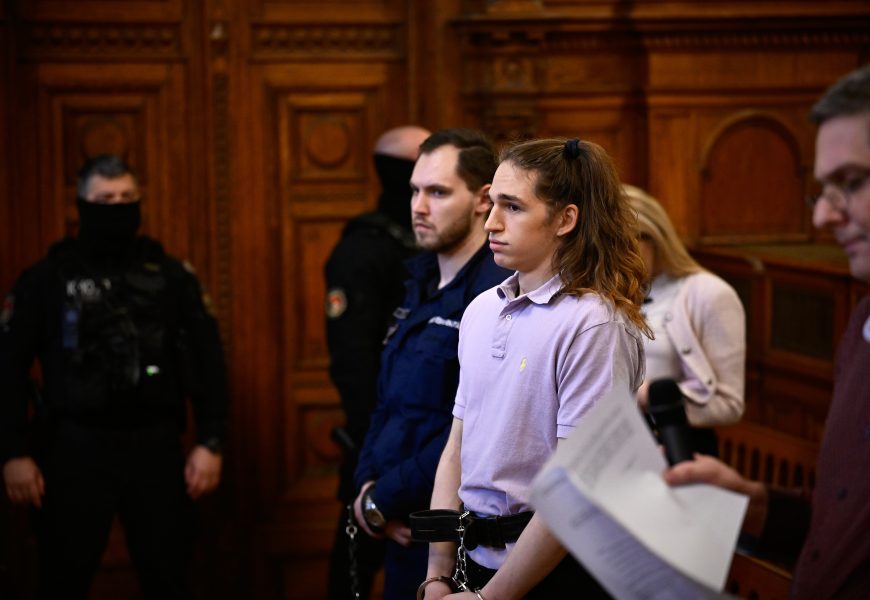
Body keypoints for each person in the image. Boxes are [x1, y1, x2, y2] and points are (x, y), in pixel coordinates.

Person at [665, 64, 870, 599]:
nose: (824, 217)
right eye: (822, 191)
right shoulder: (862, 326)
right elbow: (840, 518)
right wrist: (753, 504)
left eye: (851, 183)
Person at [421, 138, 649, 599]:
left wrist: (491, 598)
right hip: (474, 560)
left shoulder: (593, 323)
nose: (491, 221)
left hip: (556, 573)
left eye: (513, 207)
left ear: (565, 219)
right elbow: (456, 448)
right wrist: (438, 573)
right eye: (492, 204)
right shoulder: (482, 309)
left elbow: (577, 486)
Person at [0, 154, 229, 599]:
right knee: (62, 578)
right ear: (82, 205)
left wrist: (211, 440)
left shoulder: (170, 277)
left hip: (155, 448)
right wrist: (12, 451)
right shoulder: (48, 279)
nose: (118, 207)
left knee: (169, 577)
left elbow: (209, 360)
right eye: (105, 199)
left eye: (127, 197)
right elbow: (8, 366)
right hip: (73, 449)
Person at [351, 128, 511, 599]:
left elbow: (471, 426)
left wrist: (385, 495)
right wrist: (366, 489)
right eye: (414, 191)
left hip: (457, 533)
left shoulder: (496, 292)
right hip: (397, 521)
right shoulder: (418, 277)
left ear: (482, 199)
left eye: (438, 193)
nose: (418, 207)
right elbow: (389, 402)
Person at [324, 124, 431, 600]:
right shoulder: (364, 248)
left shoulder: (437, 241)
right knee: (354, 570)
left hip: (428, 442)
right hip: (378, 439)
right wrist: (375, 459)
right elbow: (353, 362)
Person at [624, 184, 746, 456]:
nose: (612, 260)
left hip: (676, 445)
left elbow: (729, 405)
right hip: (617, 444)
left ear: (653, 237)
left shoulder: (709, 294)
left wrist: (648, 396)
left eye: (621, 245)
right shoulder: (609, 290)